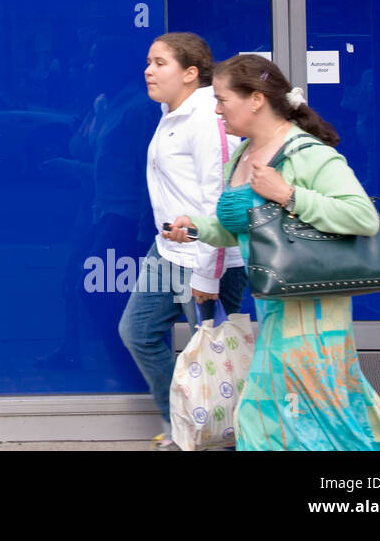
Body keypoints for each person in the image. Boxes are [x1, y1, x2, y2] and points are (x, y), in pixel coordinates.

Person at [167, 54, 380, 451]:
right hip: (277, 304)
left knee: (290, 412)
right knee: (286, 414)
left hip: (314, 310)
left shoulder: (305, 153)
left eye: (223, 99)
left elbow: (363, 217)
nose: (216, 109)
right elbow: (240, 230)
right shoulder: (243, 156)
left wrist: (289, 194)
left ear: (256, 99)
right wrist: (195, 228)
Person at [118, 33, 248, 450]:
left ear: (191, 73)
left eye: (160, 63)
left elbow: (219, 203)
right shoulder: (171, 113)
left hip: (209, 259)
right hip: (169, 250)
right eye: (148, 61)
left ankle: (225, 436)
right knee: (137, 331)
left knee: (215, 359)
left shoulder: (209, 120)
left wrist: (208, 277)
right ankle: (182, 425)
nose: (148, 70)